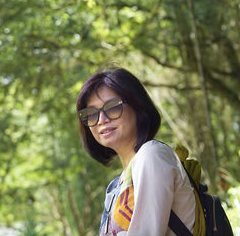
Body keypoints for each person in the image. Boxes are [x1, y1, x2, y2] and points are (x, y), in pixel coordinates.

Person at [76, 67, 196, 236]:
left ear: (137, 106)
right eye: (91, 113)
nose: (101, 120)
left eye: (112, 107)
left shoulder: (152, 156)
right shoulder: (117, 186)